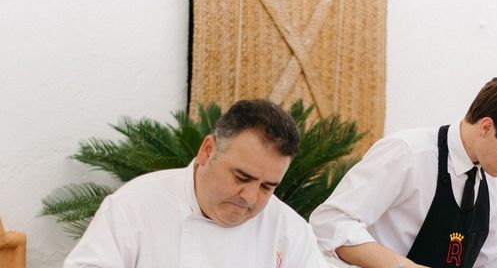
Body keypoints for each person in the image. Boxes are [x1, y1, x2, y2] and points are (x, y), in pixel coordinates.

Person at [310, 75, 497, 268]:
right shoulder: (407, 153)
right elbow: (331, 223)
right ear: (487, 127)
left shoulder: (494, 180)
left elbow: (493, 260)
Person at [64, 98, 328, 268]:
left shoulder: (288, 230)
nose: (249, 197)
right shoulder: (135, 206)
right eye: (241, 177)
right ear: (207, 150)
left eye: (267, 187)